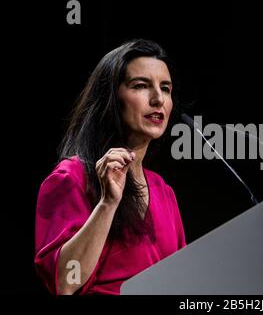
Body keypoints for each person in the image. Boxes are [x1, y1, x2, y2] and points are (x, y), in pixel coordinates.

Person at [34, 39, 186, 295]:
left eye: (166, 88)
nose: (158, 99)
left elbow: (184, 279)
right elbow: (65, 281)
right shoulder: (71, 177)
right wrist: (107, 204)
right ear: (112, 98)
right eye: (141, 86)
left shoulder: (164, 191)